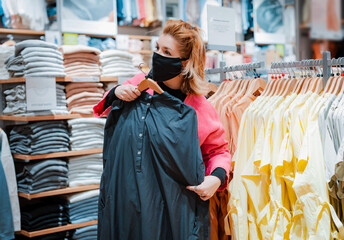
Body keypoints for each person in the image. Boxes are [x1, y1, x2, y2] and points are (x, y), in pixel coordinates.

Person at [93, 19, 231, 239]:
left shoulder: (198, 107)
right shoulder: (140, 84)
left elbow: (219, 151)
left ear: (185, 63)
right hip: (127, 201)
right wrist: (116, 92)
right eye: (157, 48)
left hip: (174, 209)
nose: (157, 55)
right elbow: (102, 109)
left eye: (166, 51)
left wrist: (216, 178)